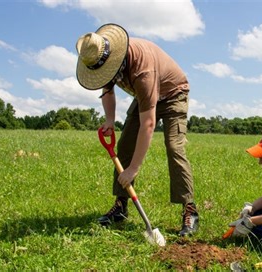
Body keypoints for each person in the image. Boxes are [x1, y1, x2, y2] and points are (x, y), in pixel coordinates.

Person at [75, 23, 198, 236]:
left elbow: (148, 124)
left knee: (174, 147)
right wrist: (110, 120)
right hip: (147, 96)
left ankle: (190, 210)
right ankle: (121, 208)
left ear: (116, 61)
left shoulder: (143, 71)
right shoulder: (105, 60)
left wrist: (133, 168)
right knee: (124, 146)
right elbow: (108, 90)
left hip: (173, 94)